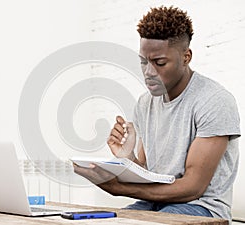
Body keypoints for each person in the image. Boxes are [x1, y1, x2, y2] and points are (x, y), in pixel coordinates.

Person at [73, 5, 241, 223]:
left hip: (202, 209)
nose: (149, 72)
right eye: (144, 62)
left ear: (186, 57)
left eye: (159, 63)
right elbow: (149, 176)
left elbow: (192, 188)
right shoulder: (145, 104)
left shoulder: (214, 100)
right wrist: (128, 157)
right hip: (154, 204)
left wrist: (120, 188)